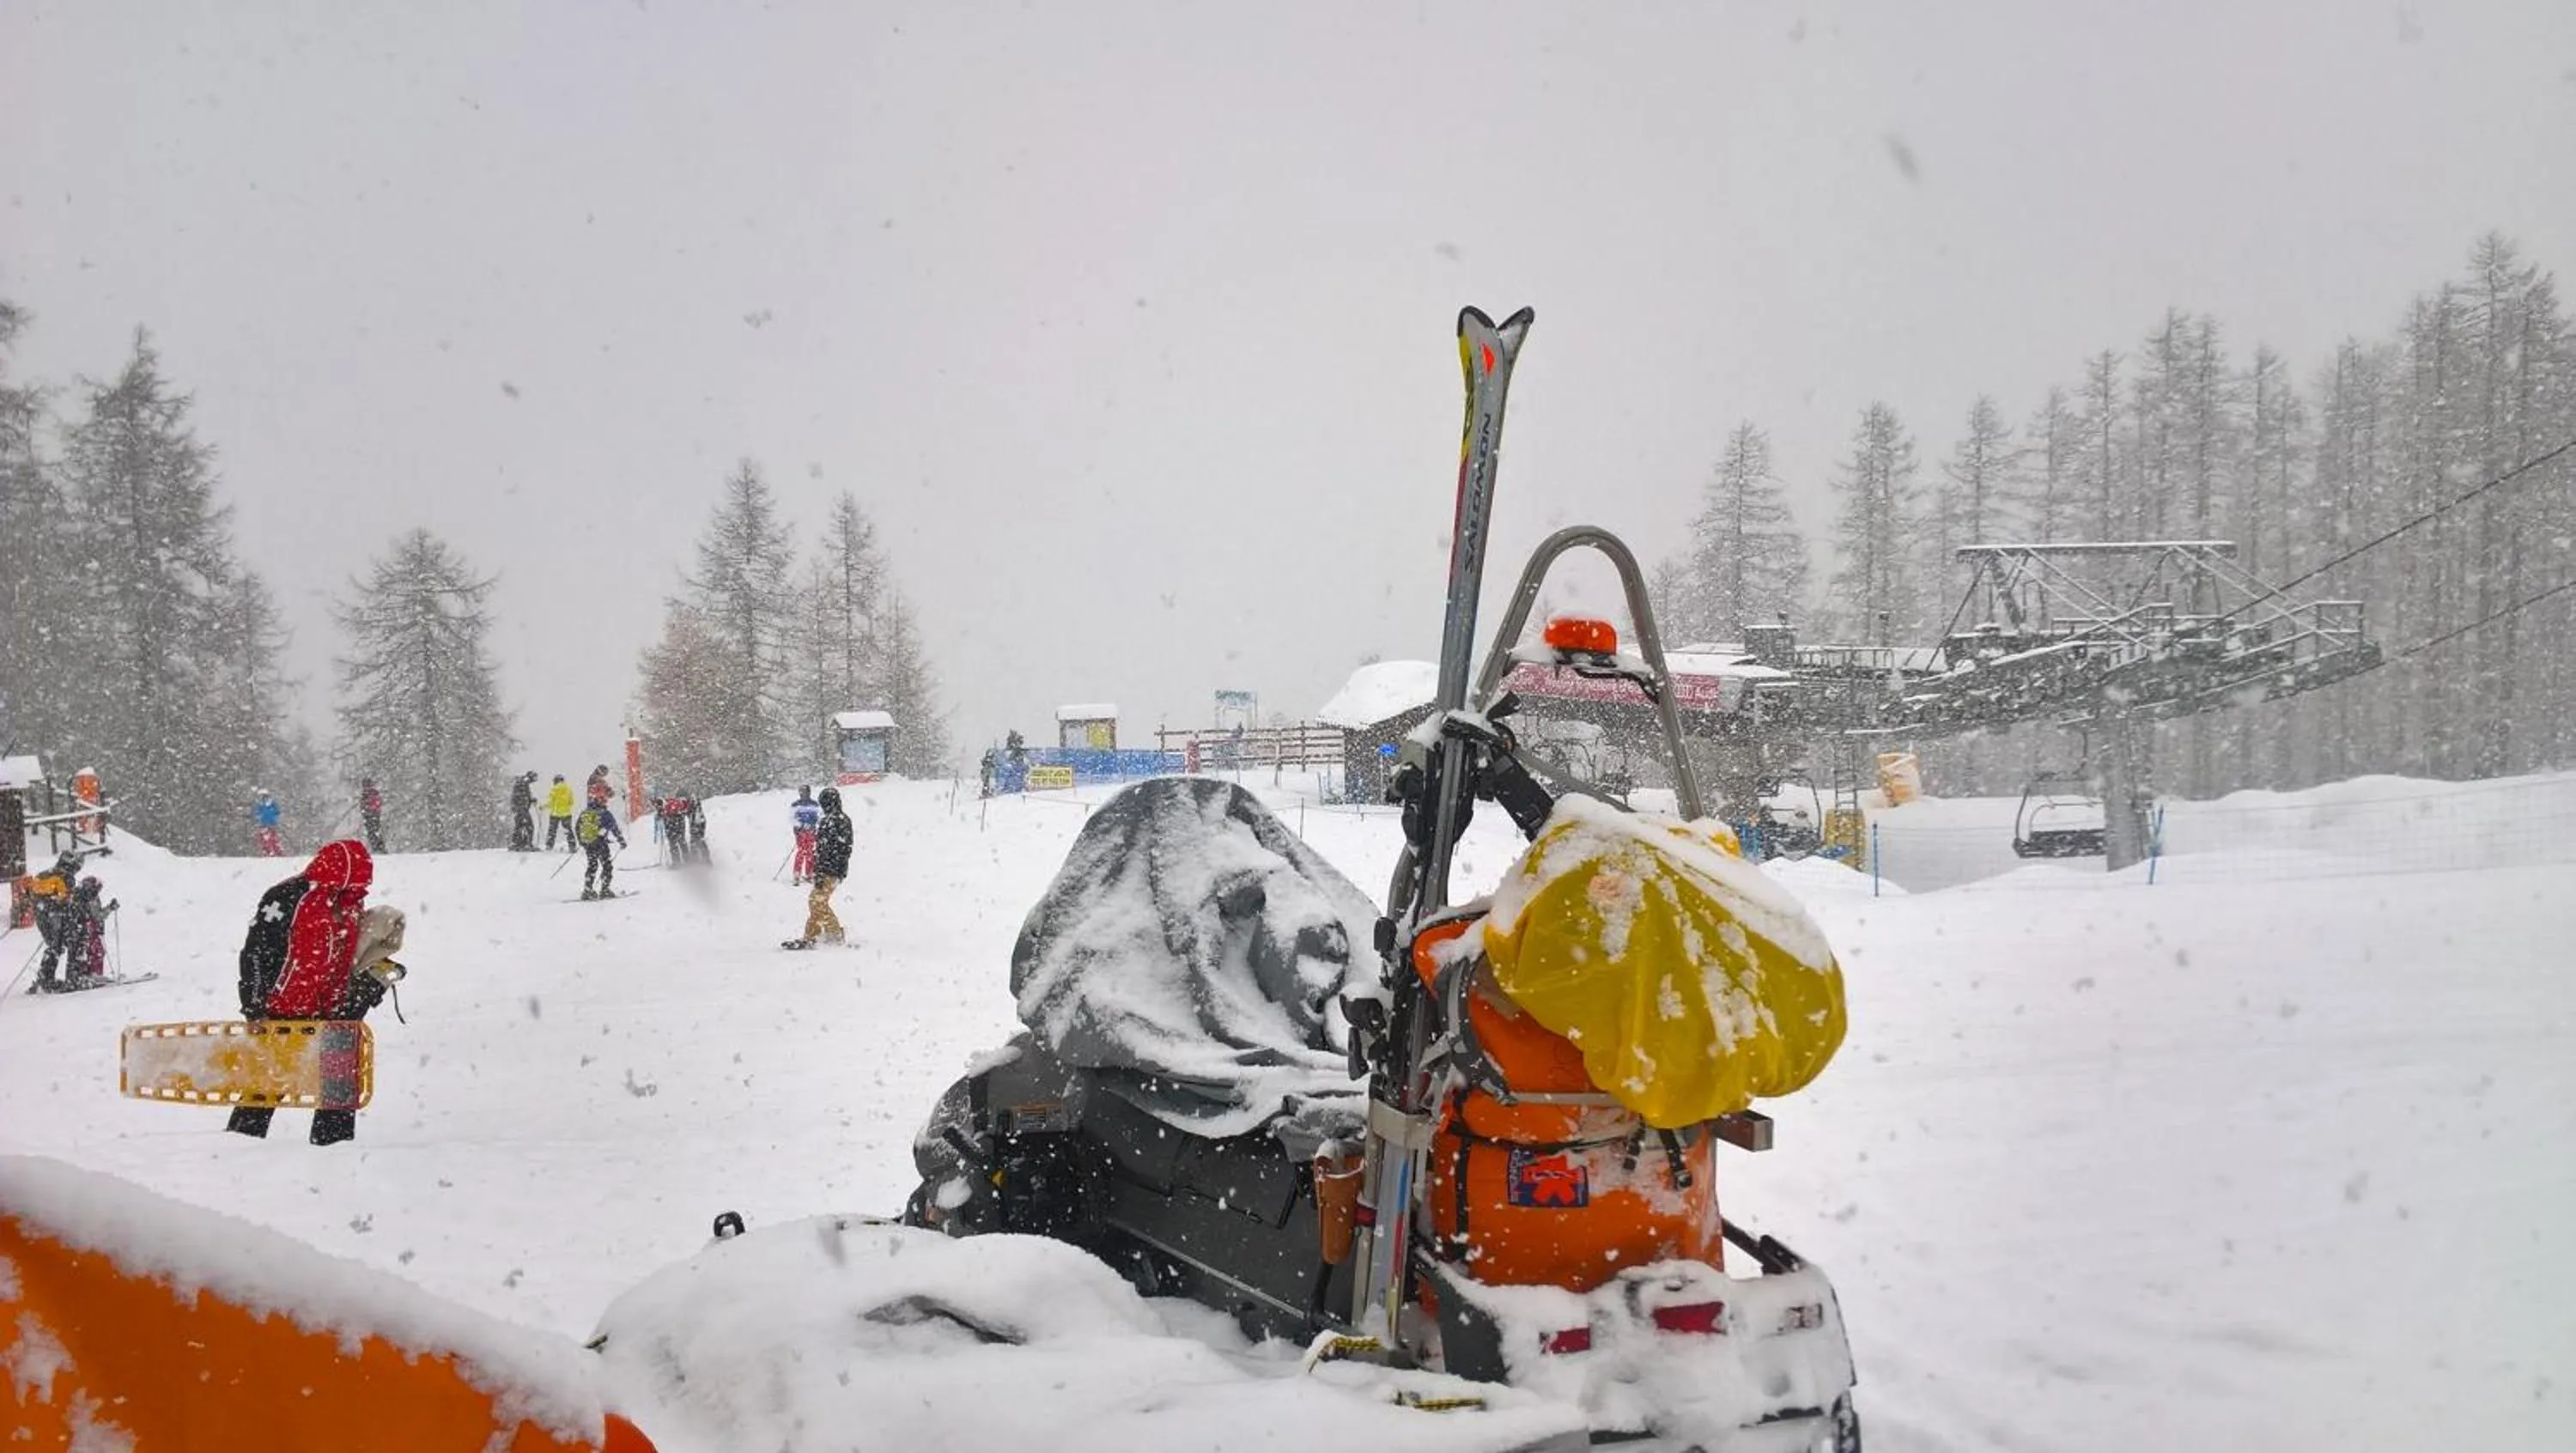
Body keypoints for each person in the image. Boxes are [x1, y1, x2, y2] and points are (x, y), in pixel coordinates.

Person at [227, 841, 393, 1146]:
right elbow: (256, 954)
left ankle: (335, 1152)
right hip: (282, 1011)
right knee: (264, 1090)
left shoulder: (351, 902)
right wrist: (253, 1006)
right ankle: (239, 1149)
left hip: (334, 1010)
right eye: (351, 883)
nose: (355, 891)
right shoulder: (287, 897)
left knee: (339, 1089)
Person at [785, 787, 852, 949]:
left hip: (829, 869)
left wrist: (822, 870)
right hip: (834, 869)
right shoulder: (840, 819)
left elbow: (829, 850)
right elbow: (844, 847)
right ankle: (811, 935)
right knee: (816, 901)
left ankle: (834, 933)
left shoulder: (831, 821)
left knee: (817, 902)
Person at [24, 852, 79, 994]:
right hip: (55, 914)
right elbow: (66, 900)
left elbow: (30, 893)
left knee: (54, 946)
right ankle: (49, 979)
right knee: (58, 945)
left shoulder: (46, 874)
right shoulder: (66, 877)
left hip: (41, 913)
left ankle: (44, 977)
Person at [65, 876, 117, 987]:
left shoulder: (87, 897)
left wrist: (110, 908)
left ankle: (91, 974)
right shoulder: (84, 897)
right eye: (97, 889)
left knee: (95, 951)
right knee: (93, 951)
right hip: (85, 929)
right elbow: (95, 916)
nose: (97, 892)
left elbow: (97, 915)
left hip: (87, 929)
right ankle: (90, 974)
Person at [577, 797, 627, 900]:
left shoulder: (584, 813)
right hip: (600, 843)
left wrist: (582, 841)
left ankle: (587, 889)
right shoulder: (605, 813)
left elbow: (577, 827)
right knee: (607, 866)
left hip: (588, 843)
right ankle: (605, 889)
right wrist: (621, 841)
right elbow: (614, 828)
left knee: (592, 866)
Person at [790, 787, 820, 885]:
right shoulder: (795, 805)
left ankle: (809, 873)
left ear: (809, 792)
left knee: (810, 852)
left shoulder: (815, 804)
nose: (803, 794)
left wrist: (814, 826)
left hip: (811, 831)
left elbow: (819, 818)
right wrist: (799, 826)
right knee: (801, 851)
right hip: (801, 832)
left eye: (805, 792)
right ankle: (797, 874)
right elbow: (792, 818)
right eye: (801, 792)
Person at [545, 774, 577, 853]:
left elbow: (550, 802)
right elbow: (571, 802)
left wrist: (542, 807)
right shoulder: (568, 789)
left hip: (555, 813)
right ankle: (572, 846)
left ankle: (549, 846)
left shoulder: (554, 789)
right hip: (566, 813)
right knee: (568, 830)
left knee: (552, 831)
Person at [509, 771, 538, 851]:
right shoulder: (523, 783)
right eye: (534, 779)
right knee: (529, 826)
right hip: (521, 808)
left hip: (519, 808)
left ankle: (517, 843)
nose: (533, 781)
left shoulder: (523, 783)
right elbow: (521, 796)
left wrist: (531, 800)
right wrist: (525, 803)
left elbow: (522, 796)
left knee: (520, 825)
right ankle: (526, 843)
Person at [253, 790, 284, 857]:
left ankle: (273, 851)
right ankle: (272, 851)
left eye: (263, 796)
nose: (263, 797)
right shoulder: (261, 804)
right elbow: (257, 813)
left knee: (269, 838)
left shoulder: (270, 804)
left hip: (269, 823)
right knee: (268, 838)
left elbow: (278, 812)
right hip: (266, 823)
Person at [359, 778, 386, 854]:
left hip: (373, 816)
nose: (366, 788)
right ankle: (376, 848)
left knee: (375, 832)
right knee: (371, 833)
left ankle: (379, 848)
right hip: (368, 816)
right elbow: (363, 806)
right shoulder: (365, 795)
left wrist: (369, 809)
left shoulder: (373, 794)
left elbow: (376, 805)